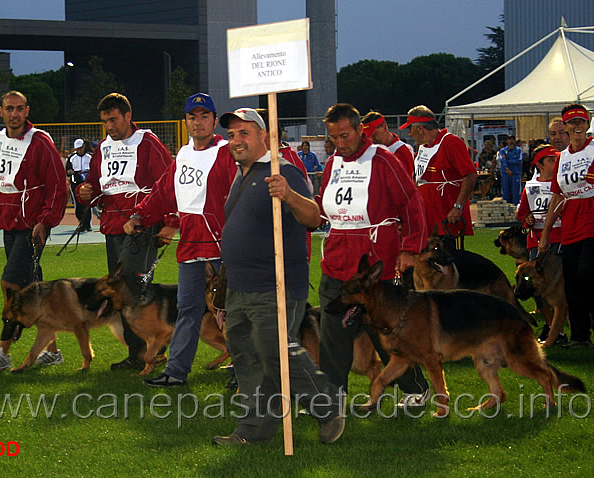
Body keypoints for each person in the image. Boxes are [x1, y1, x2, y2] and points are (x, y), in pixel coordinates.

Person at [212, 107, 344, 446]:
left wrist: (288, 194)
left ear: (265, 136)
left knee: (276, 350)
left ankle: (327, 407)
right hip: (240, 286)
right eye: (231, 135)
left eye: (244, 133)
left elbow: (314, 217)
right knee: (246, 359)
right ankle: (252, 431)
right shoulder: (241, 173)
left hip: (276, 284)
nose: (236, 140)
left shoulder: (283, 171)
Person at [317, 103, 431, 408]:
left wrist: (409, 248)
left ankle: (415, 388)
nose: (340, 143)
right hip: (337, 259)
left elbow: (411, 202)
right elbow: (321, 205)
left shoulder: (383, 159)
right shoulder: (331, 164)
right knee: (332, 332)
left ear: (359, 130)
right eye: (334, 138)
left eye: (345, 135)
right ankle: (333, 395)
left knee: (386, 330)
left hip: (374, 262)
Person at [124, 92, 236, 386]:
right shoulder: (184, 154)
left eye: (204, 117)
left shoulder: (226, 152)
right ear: (185, 121)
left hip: (220, 245)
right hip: (190, 246)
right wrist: (139, 216)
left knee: (230, 310)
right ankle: (176, 372)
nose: (197, 122)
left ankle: (242, 369)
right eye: (192, 117)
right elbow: (163, 191)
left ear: (214, 120)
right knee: (187, 309)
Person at [0, 91, 67, 372]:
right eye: (9, 109)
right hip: (8, 222)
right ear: (1, 112)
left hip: (32, 225)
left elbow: (58, 185)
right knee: (34, 289)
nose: (14, 114)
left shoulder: (41, 142)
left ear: (27, 111)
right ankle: (51, 350)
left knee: (11, 285)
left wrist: (46, 221)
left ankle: (3, 350)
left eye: (19, 109)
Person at [78, 92, 173, 369]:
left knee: (133, 288)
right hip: (112, 226)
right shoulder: (103, 148)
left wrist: (170, 221)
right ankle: (142, 351)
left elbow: (168, 182)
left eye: (114, 119)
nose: (110, 126)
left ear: (128, 116)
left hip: (141, 228)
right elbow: (93, 184)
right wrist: (85, 191)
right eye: (105, 121)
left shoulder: (148, 143)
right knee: (123, 290)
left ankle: (149, 350)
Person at [539, 104, 594, 349]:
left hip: (592, 219)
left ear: (588, 123)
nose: (577, 126)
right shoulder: (562, 158)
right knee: (572, 282)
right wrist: (546, 233)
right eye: (572, 123)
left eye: (581, 121)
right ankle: (580, 337)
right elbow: (558, 196)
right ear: (565, 126)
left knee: (587, 274)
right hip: (571, 223)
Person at [399, 105, 477, 251]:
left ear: (420, 128)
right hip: (429, 220)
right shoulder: (424, 147)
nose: (410, 134)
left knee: (452, 261)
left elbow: (470, 174)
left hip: (448, 218)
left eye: (410, 129)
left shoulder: (451, 142)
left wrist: (458, 207)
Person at [516, 144, 564, 343]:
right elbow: (522, 215)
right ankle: (552, 326)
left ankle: (562, 328)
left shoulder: (562, 183)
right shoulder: (530, 187)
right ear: (540, 164)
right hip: (535, 241)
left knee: (561, 286)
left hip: (560, 238)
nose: (556, 163)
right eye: (551, 160)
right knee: (535, 286)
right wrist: (526, 220)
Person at [361, 110, 415, 177]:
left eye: (374, 135)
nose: (371, 139)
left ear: (384, 126)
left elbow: (404, 183)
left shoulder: (401, 150)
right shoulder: (371, 148)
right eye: (368, 136)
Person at [66, 138, 93, 231]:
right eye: (77, 149)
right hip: (75, 184)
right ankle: (81, 223)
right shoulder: (71, 157)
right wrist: (70, 172)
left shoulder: (89, 157)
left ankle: (87, 224)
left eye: (80, 148)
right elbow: (67, 170)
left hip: (86, 183)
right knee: (78, 205)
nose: (79, 151)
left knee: (87, 205)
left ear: (84, 147)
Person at [498, 135, 523, 205]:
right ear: (507, 141)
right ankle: (506, 210)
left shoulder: (518, 150)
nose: (511, 141)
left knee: (516, 193)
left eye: (513, 139)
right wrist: (507, 168)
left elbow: (519, 161)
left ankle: (517, 208)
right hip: (506, 174)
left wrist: (508, 160)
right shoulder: (503, 150)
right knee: (506, 193)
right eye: (510, 139)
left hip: (515, 174)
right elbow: (502, 161)